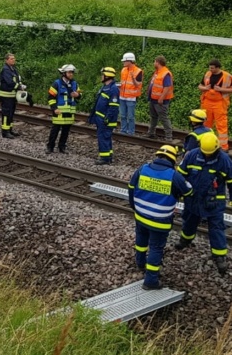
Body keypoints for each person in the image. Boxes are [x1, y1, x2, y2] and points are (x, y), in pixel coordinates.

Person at [128, 145, 192, 290]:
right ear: (172, 159)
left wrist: (135, 208)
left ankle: (140, 262)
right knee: (156, 248)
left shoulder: (142, 169)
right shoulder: (173, 175)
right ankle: (150, 280)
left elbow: (131, 189)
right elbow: (188, 192)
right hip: (160, 220)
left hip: (141, 215)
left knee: (141, 239)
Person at [175, 132, 232, 275]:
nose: (207, 156)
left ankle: (219, 255)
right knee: (189, 221)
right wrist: (178, 193)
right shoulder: (192, 155)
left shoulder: (224, 161)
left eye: (210, 153)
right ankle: (185, 240)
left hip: (213, 202)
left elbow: (231, 182)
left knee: (217, 227)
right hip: (193, 198)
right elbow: (180, 175)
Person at [198, 58, 232, 152]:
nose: (210, 70)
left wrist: (221, 90)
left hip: (220, 104)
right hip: (207, 103)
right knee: (205, 124)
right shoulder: (208, 74)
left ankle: (223, 146)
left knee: (221, 125)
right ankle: (206, 143)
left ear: (218, 68)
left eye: (212, 68)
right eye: (210, 68)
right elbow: (200, 86)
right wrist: (205, 87)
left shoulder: (227, 76)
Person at [46, 64, 81, 154]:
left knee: (65, 131)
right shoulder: (56, 83)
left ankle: (62, 147)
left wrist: (78, 95)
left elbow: (79, 95)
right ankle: (50, 147)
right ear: (64, 73)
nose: (71, 74)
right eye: (69, 72)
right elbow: (50, 98)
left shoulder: (75, 83)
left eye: (72, 72)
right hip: (59, 112)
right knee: (55, 130)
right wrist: (54, 109)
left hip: (69, 112)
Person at [89, 67, 120, 165]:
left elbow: (113, 107)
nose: (101, 77)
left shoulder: (113, 89)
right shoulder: (105, 87)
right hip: (100, 118)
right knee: (105, 137)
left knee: (103, 137)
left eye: (103, 75)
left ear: (107, 76)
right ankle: (108, 156)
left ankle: (104, 158)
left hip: (105, 120)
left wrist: (107, 119)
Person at [147, 55, 174, 142]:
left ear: (158, 62)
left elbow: (167, 87)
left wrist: (161, 98)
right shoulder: (157, 72)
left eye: (154, 61)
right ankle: (151, 133)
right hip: (153, 99)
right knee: (153, 117)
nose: (153, 63)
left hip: (160, 101)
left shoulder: (165, 73)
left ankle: (169, 137)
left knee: (163, 118)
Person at [0, 53, 25, 139]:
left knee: (11, 113)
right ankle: (5, 132)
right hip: (6, 95)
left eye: (14, 58)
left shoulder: (13, 69)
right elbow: (10, 82)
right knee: (6, 113)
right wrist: (19, 87)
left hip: (12, 95)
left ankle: (10, 129)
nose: (13, 60)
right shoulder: (6, 70)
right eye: (11, 59)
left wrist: (21, 85)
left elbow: (17, 79)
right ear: (6, 60)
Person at [118, 52, 143, 135]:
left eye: (125, 61)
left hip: (131, 98)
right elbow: (123, 82)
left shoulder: (138, 71)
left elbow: (138, 85)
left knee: (131, 117)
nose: (123, 63)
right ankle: (123, 131)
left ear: (130, 61)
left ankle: (131, 132)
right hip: (122, 96)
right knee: (123, 115)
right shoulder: (123, 70)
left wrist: (133, 78)